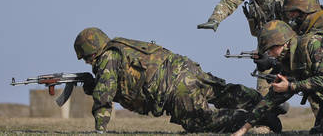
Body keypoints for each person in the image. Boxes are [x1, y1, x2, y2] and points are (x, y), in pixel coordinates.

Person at [74, 27, 282, 133]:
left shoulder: (107, 58)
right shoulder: (121, 47)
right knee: (222, 92)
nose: (86, 62)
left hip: (174, 88)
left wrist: (99, 130)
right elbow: (128, 86)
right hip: (183, 67)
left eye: (85, 58)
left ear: (91, 52)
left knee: (201, 122)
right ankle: (265, 102)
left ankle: (258, 118)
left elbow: (104, 95)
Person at [232, 20, 323, 136]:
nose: (270, 54)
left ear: (283, 42)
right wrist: (243, 129)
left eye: (271, 49)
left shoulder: (311, 44)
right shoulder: (289, 60)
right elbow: (272, 98)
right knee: (320, 132)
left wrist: (290, 86)